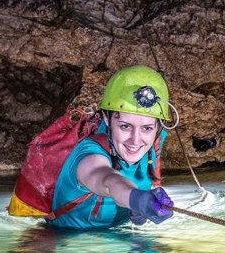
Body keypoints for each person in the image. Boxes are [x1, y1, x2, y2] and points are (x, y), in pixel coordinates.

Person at [47, 65, 179, 230]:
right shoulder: (89, 154)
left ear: (158, 127)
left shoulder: (153, 145)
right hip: (67, 242)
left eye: (147, 128)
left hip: (120, 238)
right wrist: (137, 199)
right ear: (107, 119)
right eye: (125, 126)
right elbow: (108, 181)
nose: (135, 140)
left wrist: (137, 210)